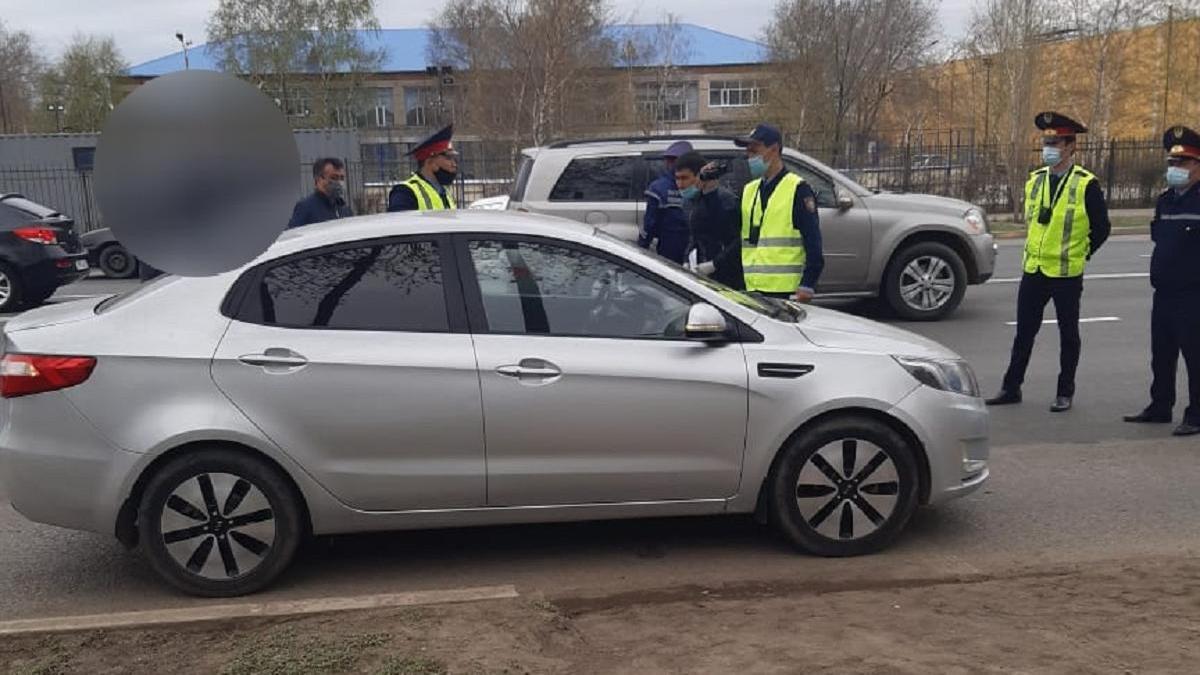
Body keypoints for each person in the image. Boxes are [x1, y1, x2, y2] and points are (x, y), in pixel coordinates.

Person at [985, 112, 1112, 413]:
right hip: (1034, 270)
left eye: (1054, 142)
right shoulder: (1036, 180)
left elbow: (1102, 227)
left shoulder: (1085, 184)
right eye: (1046, 142)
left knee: (1068, 334)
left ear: (1071, 147)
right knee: (1024, 333)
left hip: (1066, 273)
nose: (1048, 148)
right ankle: (1011, 387)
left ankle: (1065, 392)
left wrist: (1082, 252)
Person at [1123, 125, 1200, 436]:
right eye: (1171, 163)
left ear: (1198, 165)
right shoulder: (1166, 200)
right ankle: (1160, 406)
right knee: (1162, 354)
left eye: (1182, 163)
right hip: (1164, 291)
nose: (1175, 168)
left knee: (1195, 357)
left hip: (1194, 293)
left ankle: (1196, 414)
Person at [733, 123, 823, 301]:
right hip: (753, 289)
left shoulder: (797, 189)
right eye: (748, 152)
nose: (750, 157)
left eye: (755, 150)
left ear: (774, 149)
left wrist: (807, 285)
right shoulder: (750, 190)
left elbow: (813, 243)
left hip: (787, 292)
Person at [672, 151, 743, 289]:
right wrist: (687, 259)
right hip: (701, 272)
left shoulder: (725, 200)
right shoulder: (690, 202)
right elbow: (695, 235)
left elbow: (735, 241)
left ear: (700, 176)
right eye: (677, 178)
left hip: (727, 275)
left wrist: (715, 264)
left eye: (685, 178)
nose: (680, 184)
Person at [638, 140, 693, 263]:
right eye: (670, 160)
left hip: (685, 248)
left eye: (673, 160)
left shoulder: (658, 188)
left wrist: (641, 247)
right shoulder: (659, 189)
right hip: (674, 247)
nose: (670, 163)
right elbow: (649, 224)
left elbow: (649, 225)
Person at [388, 124, 458, 212]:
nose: (454, 164)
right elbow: (398, 224)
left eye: (454, 158)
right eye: (448, 158)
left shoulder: (445, 193)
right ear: (429, 161)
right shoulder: (405, 193)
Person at [286, 157, 352, 229]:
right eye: (334, 178)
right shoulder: (306, 208)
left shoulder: (343, 208)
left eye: (342, 178)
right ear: (318, 179)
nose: (339, 182)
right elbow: (293, 236)